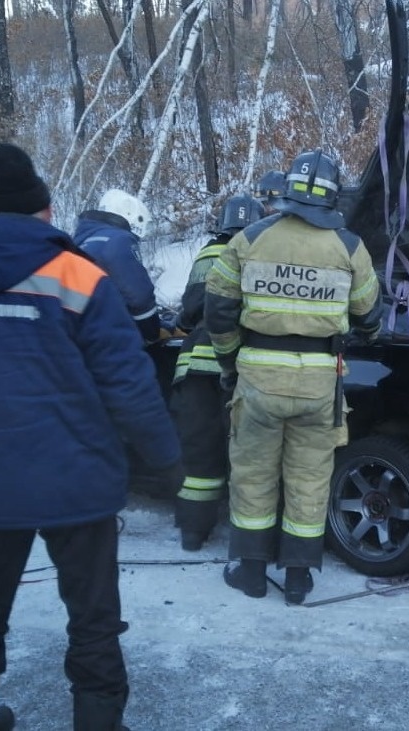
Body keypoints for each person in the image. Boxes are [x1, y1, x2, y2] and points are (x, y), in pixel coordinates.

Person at [0, 143, 182, 730]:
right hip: (77, 482)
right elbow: (128, 384)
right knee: (93, 618)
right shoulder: (79, 275)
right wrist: (171, 465)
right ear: (46, 212)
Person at [205, 150, 384, 605]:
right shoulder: (348, 246)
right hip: (319, 387)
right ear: (331, 196)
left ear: (286, 191)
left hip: (259, 380)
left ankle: (250, 573)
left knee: (253, 476)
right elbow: (369, 314)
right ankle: (299, 579)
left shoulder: (249, 238)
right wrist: (366, 330)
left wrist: (230, 362)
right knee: (309, 480)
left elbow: (218, 310)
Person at [171, 195, 266, 551]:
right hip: (240, 367)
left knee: (197, 452)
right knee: (246, 453)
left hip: (195, 365)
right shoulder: (260, 253)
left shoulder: (209, 252)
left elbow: (191, 306)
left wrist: (183, 321)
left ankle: (193, 533)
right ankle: (250, 539)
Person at [74, 189, 161, 344]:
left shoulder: (79, 242)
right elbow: (138, 296)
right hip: (109, 338)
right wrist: (153, 330)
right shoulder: (118, 239)